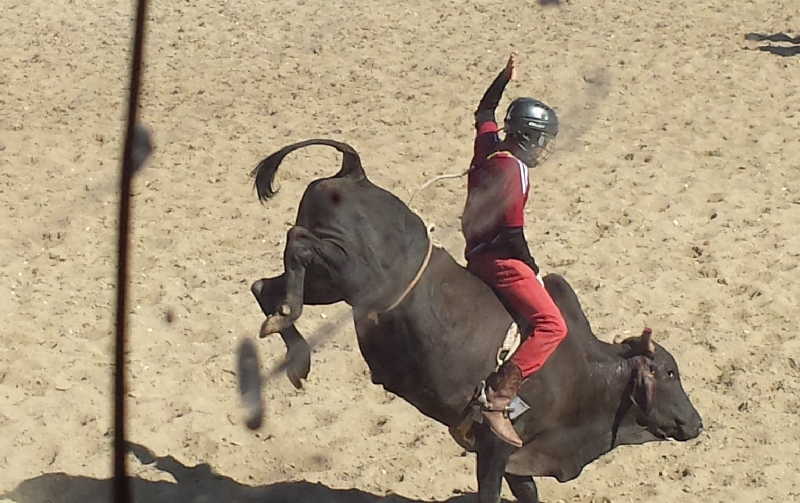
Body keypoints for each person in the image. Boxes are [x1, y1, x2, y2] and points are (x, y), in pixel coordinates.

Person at [461, 52, 568, 448]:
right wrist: (533, 267)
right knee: (552, 326)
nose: (542, 150)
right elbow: (512, 234)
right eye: (540, 141)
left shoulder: (488, 147)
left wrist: (504, 78)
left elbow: (484, 109)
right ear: (525, 136)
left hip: (473, 253)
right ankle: (499, 401)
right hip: (500, 259)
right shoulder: (513, 171)